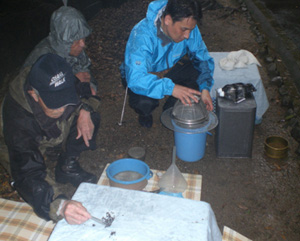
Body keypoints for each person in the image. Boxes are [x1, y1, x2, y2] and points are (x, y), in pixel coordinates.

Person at [1, 53, 100, 224]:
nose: (63, 108)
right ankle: (52, 153)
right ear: (34, 94)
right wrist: (59, 205)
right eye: (56, 103)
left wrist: (85, 109)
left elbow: (86, 92)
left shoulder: (62, 78)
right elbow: (28, 172)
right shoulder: (17, 119)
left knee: (91, 117)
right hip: (19, 145)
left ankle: (66, 166)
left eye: (66, 97)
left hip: (51, 130)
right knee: (28, 177)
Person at [120, 0, 214, 128]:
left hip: (169, 69)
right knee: (144, 102)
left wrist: (204, 88)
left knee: (197, 73)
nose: (187, 36)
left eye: (190, 30)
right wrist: (171, 88)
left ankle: (171, 108)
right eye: (184, 30)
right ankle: (145, 113)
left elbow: (202, 58)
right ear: (168, 20)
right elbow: (136, 78)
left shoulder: (188, 26)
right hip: (143, 74)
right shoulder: (142, 36)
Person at [22, 5, 97, 96]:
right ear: (63, 41)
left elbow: (84, 70)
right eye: (77, 41)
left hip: (69, 100)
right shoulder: (42, 58)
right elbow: (36, 94)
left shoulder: (75, 50)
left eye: (83, 38)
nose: (82, 44)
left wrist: (89, 85)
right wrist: (74, 81)